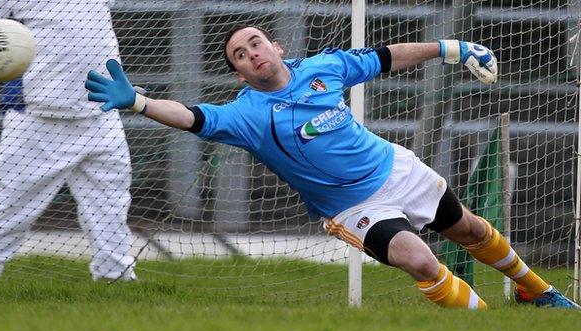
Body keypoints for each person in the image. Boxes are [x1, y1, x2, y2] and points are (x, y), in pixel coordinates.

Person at [85, 24, 579, 308]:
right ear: (237, 72)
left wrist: (451, 49)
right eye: (240, 54)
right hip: (352, 206)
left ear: (276, 48)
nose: (251, 53)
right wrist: (139, 103)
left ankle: (536, 292)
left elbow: (387, 57)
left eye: (255, 43)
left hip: (396, 169)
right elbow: (191, 116)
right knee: (421, 261)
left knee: (469, 230)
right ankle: (485, 327)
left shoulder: (325, 67)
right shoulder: (246, 115)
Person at [0, 0, 136, 281]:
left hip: (101, 113)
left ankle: (116, 279)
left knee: (111, 208)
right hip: (36, 117)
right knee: (8, 206)